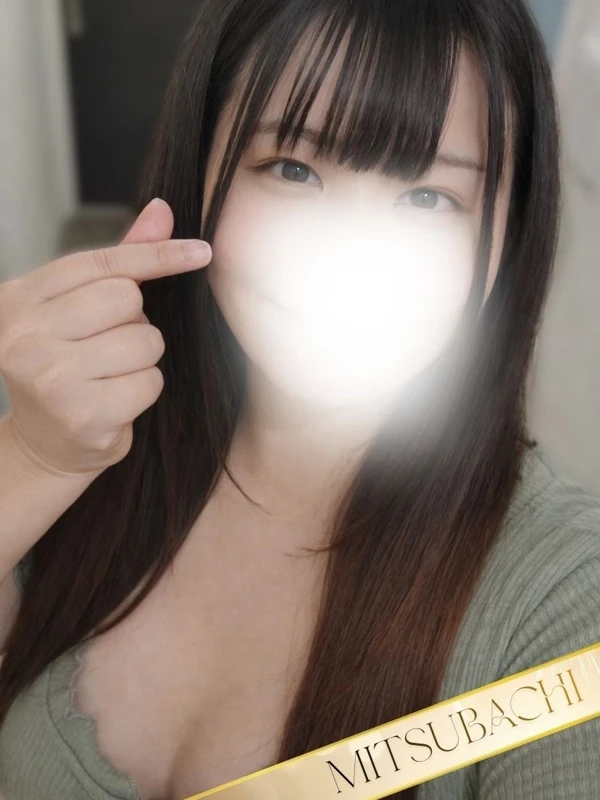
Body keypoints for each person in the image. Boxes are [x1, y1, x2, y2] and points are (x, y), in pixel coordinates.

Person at [0, 0, 598, 798]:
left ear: (508, 239)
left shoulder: (565, 601)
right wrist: (32, 460)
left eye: (429, 197)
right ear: (199, 169)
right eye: (293, 169)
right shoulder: (81, 441)